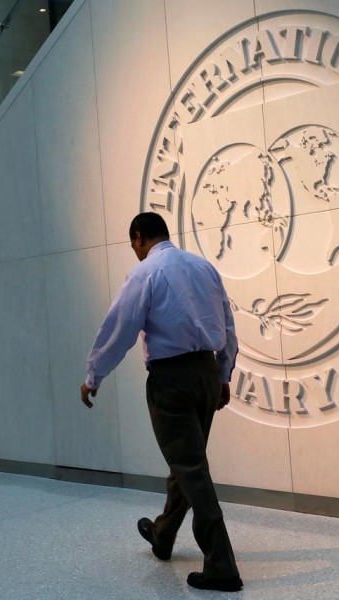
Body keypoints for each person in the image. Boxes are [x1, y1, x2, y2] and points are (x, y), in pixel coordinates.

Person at [80, 212, 243, 592]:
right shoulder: (204, 268)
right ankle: (163, 534)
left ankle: (222, 564)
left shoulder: (145, 273)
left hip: (172, 380)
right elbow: (228, 324)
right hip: (205, 373)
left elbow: (118, 328)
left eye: (133, 244)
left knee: (190, 466)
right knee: (185, 463)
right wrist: (222, 375)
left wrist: (93, 377)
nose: (134, 251)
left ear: (138, 237)